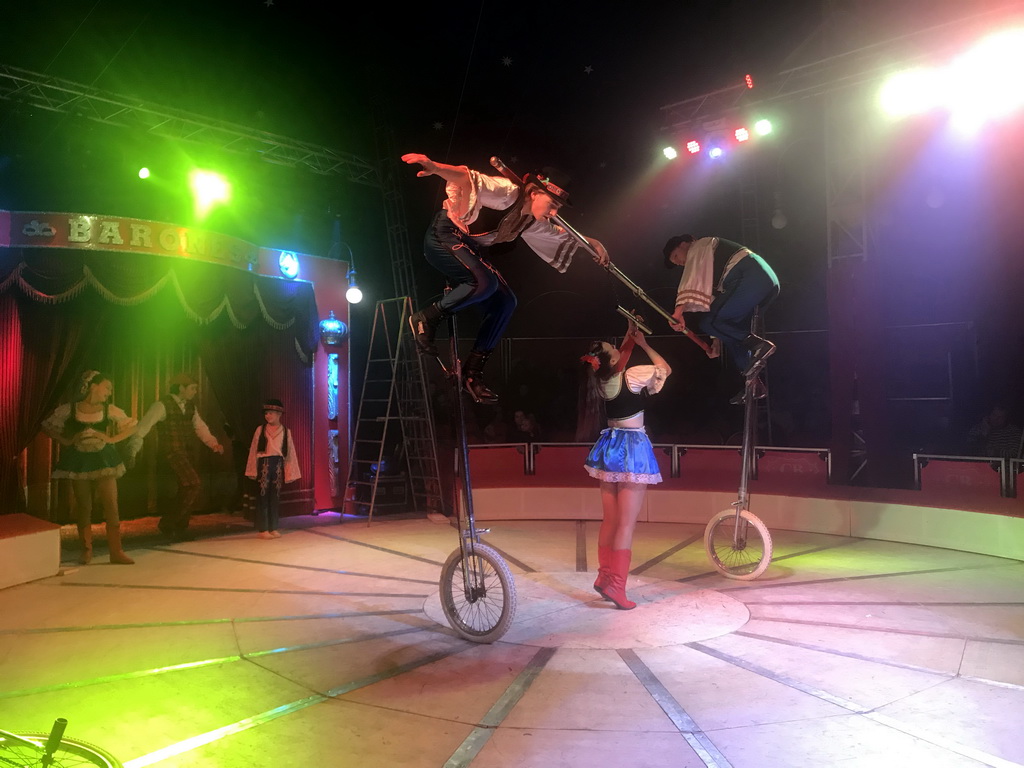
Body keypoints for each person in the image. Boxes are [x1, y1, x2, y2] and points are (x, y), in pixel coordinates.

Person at [402, 152, 610, 404]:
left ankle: (473, 373)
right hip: (443, 237)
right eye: (552, 204)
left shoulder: (532, 221)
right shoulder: (507, 192)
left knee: (506, 302)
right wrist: (436, 167)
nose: (554, 212)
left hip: (467, 249)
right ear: (534, 193)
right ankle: (426, 319)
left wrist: (593, 242)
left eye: (557, 207)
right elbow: (467, 177)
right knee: (485, 283)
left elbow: (560, 234)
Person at [581, 321, 671, 610]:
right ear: (614, 359)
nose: (617, 347)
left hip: (609, 446)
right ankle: (617, 587)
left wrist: (630, 332)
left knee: (610, 519)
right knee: (626, 524)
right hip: (632, 447)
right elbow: (664, 369)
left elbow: (618, 354)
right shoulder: (632, 375)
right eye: (613, 347)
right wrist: (644, 344)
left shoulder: (603, 379)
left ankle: (604, 576)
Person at [41, 371, 138, 564]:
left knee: (111, 504)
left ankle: (116, 551)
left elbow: (132, 426)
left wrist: (110, 439)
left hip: (104, 459)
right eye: (107, 387)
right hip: (79, 460)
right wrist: (67, 441)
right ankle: (86, 550)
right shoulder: (70, 409)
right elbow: (48, 427)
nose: (109, 392)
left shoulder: (109, 409)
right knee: (84, 505)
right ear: (94, 386)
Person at [663, 235, 779, 392]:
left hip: (751, 275)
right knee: (731, 333)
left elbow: (691, 278)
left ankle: (760, 345)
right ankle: (753, 383)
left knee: (708, 322)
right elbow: (715, 302)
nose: (678, 263)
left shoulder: (700, 245)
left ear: (684, 244)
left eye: (676, 256)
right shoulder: (709, 260)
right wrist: (716, 341)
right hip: (761, 281)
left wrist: (678, 311)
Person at [127, 374, 224, 541]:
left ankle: (180, 527)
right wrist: (132, 450)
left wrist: (213, 444)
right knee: (193, 484)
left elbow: (200, 427)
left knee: (186, 487)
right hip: (171, 453)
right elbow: (143, 427)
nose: (195, 392)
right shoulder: (161, 405)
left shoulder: (190, 406)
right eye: (192, 388)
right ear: (181, 388)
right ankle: (168, 522)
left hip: (186, 452)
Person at [245, 399, 301, 539]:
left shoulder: (286, 431)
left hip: (277, 464)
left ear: (278, 414)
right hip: (264, 464)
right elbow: (253, 450)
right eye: (266, 413)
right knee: (263, 495)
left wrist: (290, 472)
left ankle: (273, 527)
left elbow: (290, 452)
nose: (268, 416)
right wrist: (252, 469)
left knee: (274, 496)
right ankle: (263, 528)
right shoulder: (260, 429)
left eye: (271, 413)